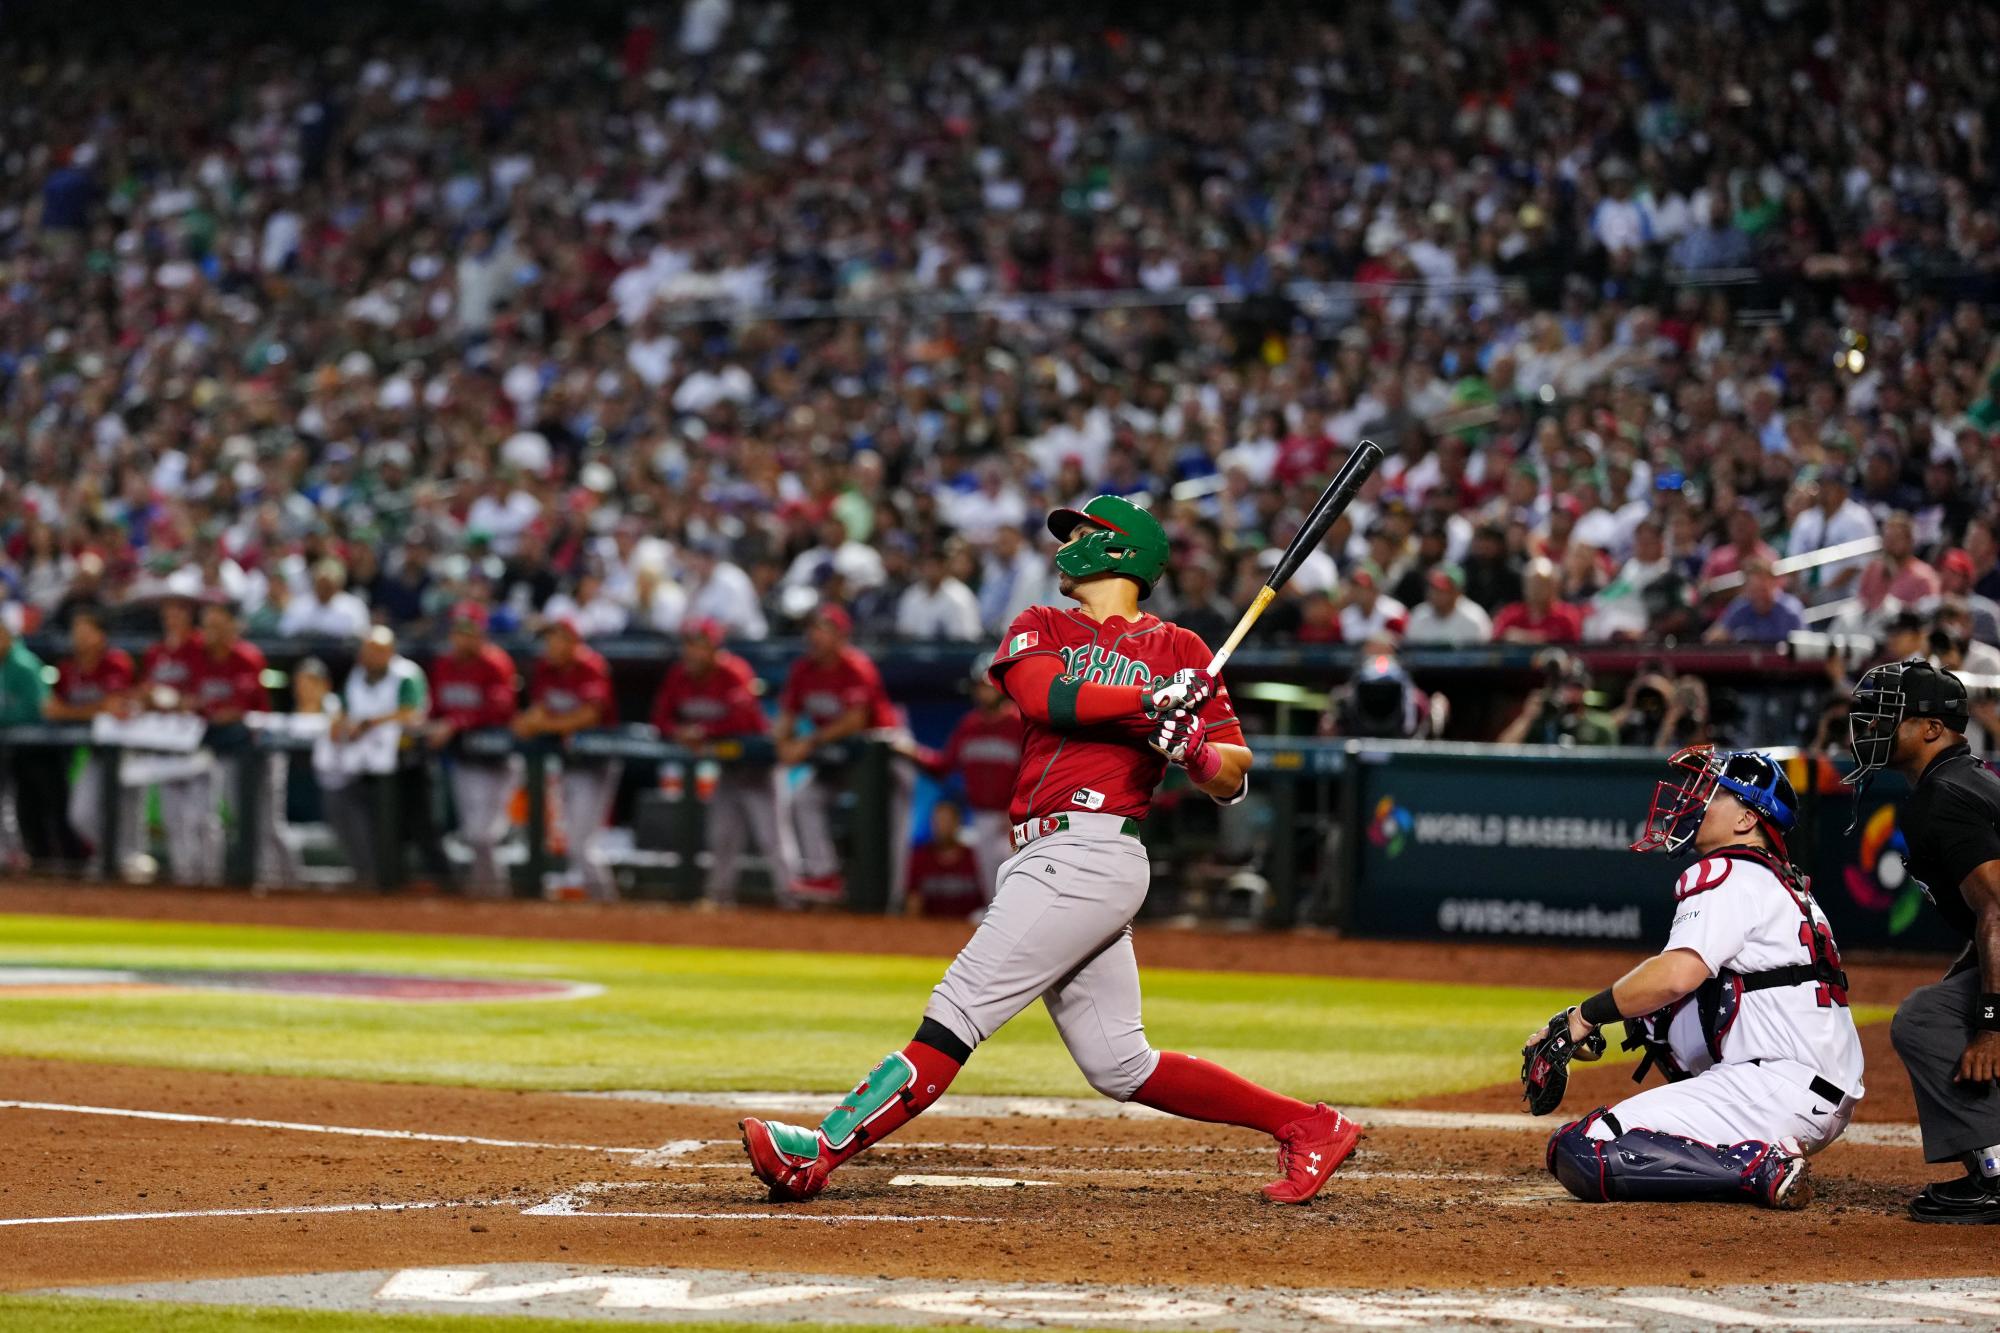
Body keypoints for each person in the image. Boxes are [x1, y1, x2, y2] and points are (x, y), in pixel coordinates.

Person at [740, 493, 1360, 1206]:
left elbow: (1231, 775)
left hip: (1092, 851)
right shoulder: (1043, 625)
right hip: (1051, 853)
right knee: (1119, 1062)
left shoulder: (1183, 651)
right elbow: (1045, 699)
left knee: (959, 1008)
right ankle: (1310, 1124)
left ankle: (818, 1153)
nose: (1068, 544)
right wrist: (1150, 703)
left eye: (1084, 532)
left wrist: (1190, 745)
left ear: (1123, 550)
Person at [1533, 747, 1860, 1209]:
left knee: (1582, 1148)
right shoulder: (1782, 883)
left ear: (1747, 820)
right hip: (1819, 1089)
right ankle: (1759, 1147)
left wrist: (1582, 1018)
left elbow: (1676, 975)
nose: (1699, 800)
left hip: (1776, 1087)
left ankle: (1757, 1166)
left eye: (1716, 793)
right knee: (1652, 1019)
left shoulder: (1727, 870)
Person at [1846, 659, 2000, 1222]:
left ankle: (1996, 1172)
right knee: (1952, 998)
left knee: (1927, 1020)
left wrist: (1990, 1024)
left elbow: (1997, 909)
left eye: (1889, 718)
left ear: (1933, 729)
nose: (1871, 729)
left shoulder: (1945, 796)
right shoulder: (1966, 777)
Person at [649, 618, 788, 908]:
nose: (693, 652)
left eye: (700, 645)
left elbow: (742, 721)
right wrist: (679, 732)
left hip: (756, 768)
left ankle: (793, 899)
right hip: (727, 769)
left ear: (714, 648)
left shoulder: (734, 671)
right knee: (721, 835)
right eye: (689, 645)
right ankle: (720, 898)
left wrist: (702, 732)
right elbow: (660, 718)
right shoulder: (680, 674)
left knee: (770, 838)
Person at [772, 605, 901, 905]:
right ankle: (825, 873)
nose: (813, 636)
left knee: (893, 826)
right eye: (812, 629)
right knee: (804, 798)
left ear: (841, 636)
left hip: (883, 757)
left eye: (823, 630)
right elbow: (787, 717)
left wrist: (807, 742)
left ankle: (895, 900)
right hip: (839, 757)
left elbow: (855, 720)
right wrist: (781, 743)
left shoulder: (856, 665)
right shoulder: (803, 668)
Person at [515, 617, 620, 901]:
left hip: (596, 761)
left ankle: (605, 901)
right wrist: (528, 721)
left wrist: (544, 725)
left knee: (579, 843)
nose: (550, 645)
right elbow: (539, 709)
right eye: (549, 639)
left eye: (557, 639)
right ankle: (602, 900)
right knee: (574, 841)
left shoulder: (591, 665)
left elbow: (589, 715)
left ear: (573, 642)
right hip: (568, 762)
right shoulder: (546, 668)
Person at [322, 627, 432, 889]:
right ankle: (369, 875)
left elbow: (411, 714)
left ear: (391, 651)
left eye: (379, 651)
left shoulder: (406, 674)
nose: (373, 657)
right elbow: (342, 709)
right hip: (363, 763)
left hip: (408, 763)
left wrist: (369, 723)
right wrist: (340, 722)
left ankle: (434, 881)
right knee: (355, 815)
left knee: (417, 826)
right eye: (369, 650)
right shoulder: (358, 675)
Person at [426, 603, 520, 897]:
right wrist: (433, 724)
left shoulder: (496, 663)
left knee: (485, 835)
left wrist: (455, 722)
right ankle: (484, 895)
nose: (461, 638)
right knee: (473, 834)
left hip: (497, 759)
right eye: (457, 631)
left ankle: (496, 893)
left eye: (468, 631)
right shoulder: (444, 664)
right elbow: (436, 709)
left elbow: (498, 710)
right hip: (465, 759)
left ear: (481, 633)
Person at [907, 656, 1024, 893]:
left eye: (988, 686)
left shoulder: (1019, 723)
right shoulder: (969, 725)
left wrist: (1018, 810)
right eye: (979, 686)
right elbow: (943, 765)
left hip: (1012, 818)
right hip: (979, 815)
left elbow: (1035, 772)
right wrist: (912, 751)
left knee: (1014, 879)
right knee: (989, 886)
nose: (983, 693)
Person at [187, 601, 273, 884]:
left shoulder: (247, 657)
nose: (210, 632)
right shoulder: (198, 656)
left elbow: (235, 710)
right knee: (202, 819)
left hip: (252, 750)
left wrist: (201, 708)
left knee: (262, 824)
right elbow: (187, 700)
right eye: (207, 625)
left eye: (217, 625)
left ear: (232, 627)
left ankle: (278, 881)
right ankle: (210, 881)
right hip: (212, 748)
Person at [46, 605, 138, 870]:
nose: (79, 636)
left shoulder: (116, 662)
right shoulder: (67, 667)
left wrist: (71, 712)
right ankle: (112, 858)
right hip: (96, 753)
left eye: (86, 631)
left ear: (102, 635)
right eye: (76, 630)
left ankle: (124, 864)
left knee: (126, 817)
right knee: (81, 815)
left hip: (125, 751)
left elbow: (115, 705)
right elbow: (52, 710)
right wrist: (91, 709)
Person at [0, 607, 77, 867]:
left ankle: (67, 860)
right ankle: (38, 859)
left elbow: (38, 708)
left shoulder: (24, 664)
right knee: (25, 808)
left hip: (44, 750)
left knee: (52, 807)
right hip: (16, 750)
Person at [902, 801, 985, 919]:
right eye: (938, 821)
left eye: (947, 821)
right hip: (931, 930)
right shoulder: (920, 858)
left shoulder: (975, 858)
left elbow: (988, 899)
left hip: (970, 927)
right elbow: (913, 903)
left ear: (957, 823)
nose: (943, 826)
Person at [1705, 557, 1807, 643]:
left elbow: (1803, 648)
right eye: (1754, 591)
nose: (1759, 596)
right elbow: (1712, 636)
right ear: (1746, 590)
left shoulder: (1790, 611)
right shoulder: (1741, 606)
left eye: (1763, 590)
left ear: (1774, 584)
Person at [1492, 557, 1584, 644]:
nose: (1536, 588)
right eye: (1532, 583)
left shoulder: (1567, 616)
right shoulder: (1510, 614)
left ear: (1555, 586)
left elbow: (1575, 648)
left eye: (1542, 583)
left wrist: (1526, 638)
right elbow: (1496, 641)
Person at [1403, 565, 1493, 644]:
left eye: (1443, 589)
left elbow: (1482, 657)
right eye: (1432, 588)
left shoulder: (1474, 618)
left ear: (1458, 592)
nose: (1435, 594)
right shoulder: (1419, 614)